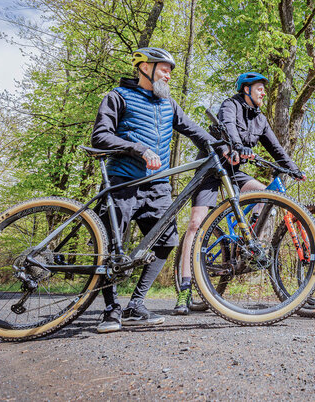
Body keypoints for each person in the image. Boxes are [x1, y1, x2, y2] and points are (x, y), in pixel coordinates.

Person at [92, 47, 231, 333]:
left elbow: (194, 130)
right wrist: (138, 149)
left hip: (158, 186)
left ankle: (135, 305)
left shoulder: (168, 105)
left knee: (166, 241)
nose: (169, 74)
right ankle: (110, 309)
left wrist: (220, 146)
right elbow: (101, 136)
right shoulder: (117, 97)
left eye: (170, 70)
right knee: (110, 248)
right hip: (123, 182)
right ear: (144, 67)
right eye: (164, 68)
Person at [173, 72, 305, 314]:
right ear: (246, 89)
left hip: (234, 171)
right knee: (195, 224)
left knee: (266, 195)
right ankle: (184, 289)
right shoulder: (230, 105)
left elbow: (276, 148)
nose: (264, 92)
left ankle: (247, 241)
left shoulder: (261, 120)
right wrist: (237, 146)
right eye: (259, 88)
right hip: (211, 169)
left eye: (264, 89)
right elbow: (228, 127)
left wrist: (294, 169)